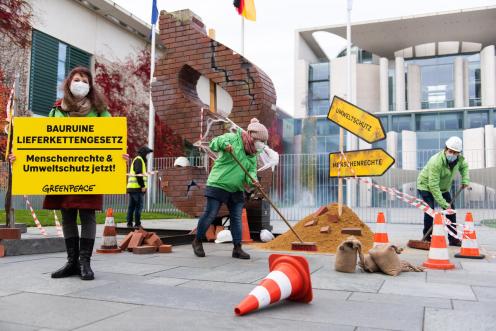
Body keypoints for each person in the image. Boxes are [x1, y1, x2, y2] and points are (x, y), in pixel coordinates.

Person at [42, 66, 118, 281]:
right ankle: (71, 262)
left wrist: (120, 155)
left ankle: (85, 262)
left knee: (87, 214)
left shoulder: (101, 111)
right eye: (77, 79)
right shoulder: (56, 110)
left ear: (90, 86)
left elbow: (112, 140)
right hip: (62, 171)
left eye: (85, 80)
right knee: (66, 213)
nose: (80, 84)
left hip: (90, 171)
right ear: (68, 83)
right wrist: (20, 156)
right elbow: (42, 143)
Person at [192, 118, 268, 259]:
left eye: (263, 142)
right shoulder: (233, 138)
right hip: (218, 183)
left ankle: (237, 248)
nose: (262, 145)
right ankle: (197, 240)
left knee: (236, 218)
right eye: (260, 141)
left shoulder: (252, 154)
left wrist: (254, 181)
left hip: (236, 189)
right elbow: (214, 143)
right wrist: (225, 145)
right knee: (210, 213)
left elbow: (250, 173)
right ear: (252, 136)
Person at [417, 136, 470, 246]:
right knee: (430, 211)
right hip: (426, 186)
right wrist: (443, 204)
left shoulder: (459, 160)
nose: (453, 155)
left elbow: (464, 167)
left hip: (443, 188)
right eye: (451, 151)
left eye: (455, 153)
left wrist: (465, 180)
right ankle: (427, 238)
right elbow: (433, 185)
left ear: (458, 153)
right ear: (445, 149)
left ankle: (453, 238)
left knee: (451, 211)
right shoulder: (436, 162)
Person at [126, 146, 153, 228]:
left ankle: (129, 224)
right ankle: (137, 224)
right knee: (138, 207)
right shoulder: (139, 160)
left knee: (132, 207)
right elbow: (138, 173)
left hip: (132, 187)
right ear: (144, 153)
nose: (147, 156)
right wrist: (143, 186)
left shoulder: (137, 159)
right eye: (147, 153)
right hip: (137, 188)